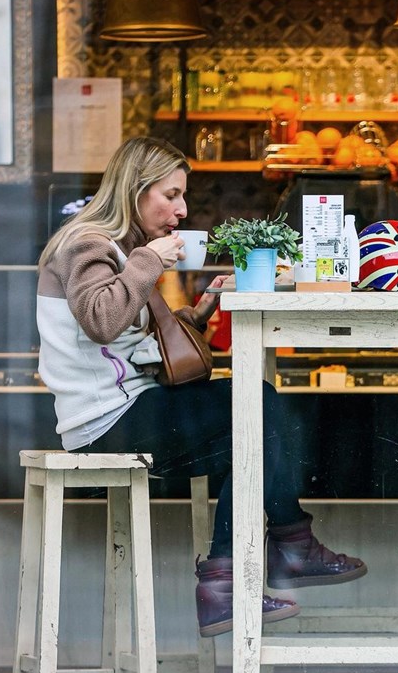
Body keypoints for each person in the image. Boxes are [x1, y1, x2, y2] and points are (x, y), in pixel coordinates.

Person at [36, 136, 366, 638]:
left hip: (131, 407)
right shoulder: (85, 244)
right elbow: (101, 321)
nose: (181, 209)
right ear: (135, 189)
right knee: (256, 404)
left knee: (254, 424)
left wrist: (203, 308)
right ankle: (280, 554)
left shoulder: (120, 251)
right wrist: (150, 261)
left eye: (182, 197)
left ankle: (235, 579)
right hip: (105, 423)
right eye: (170, 195)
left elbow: (133, 344)